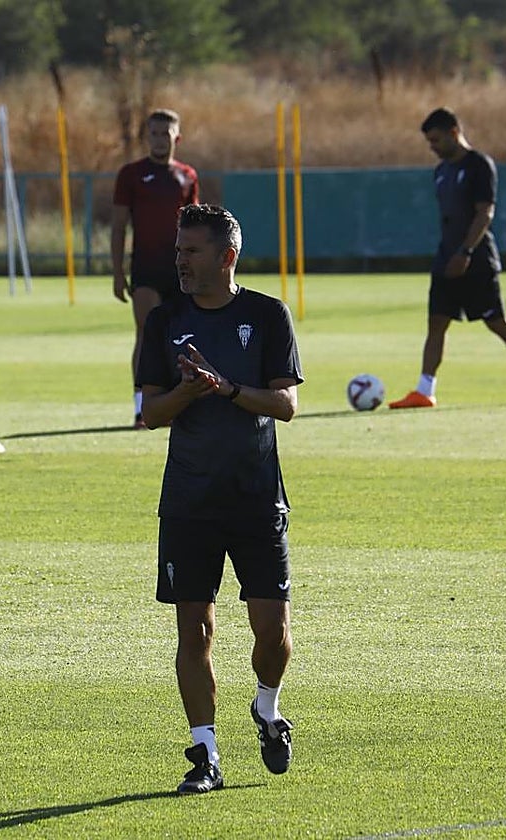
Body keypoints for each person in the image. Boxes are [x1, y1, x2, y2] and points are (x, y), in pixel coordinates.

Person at [137, 204, 303, 795]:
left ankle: (266, 705)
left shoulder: (267, 315)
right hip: (189, 500)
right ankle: (205, 753)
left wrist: (226, 387)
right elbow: (149, 415)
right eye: (178, 250)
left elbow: (285, 406)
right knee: (195, 633)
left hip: (257, 497)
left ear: (226, 256)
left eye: (192, 251)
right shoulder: (164, 321)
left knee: (272, 633)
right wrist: (186, 391)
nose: (179, 261)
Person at [389, 106, 506, 409]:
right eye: (429, 142)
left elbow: (484, 212)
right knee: (436, 322)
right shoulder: (441, 172)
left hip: (475, 259)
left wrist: (465, 252)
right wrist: (450, 254)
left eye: (436, 140)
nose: (432, 148)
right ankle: (425, 390)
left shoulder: (479, 165)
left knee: (496, 322)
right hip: (445, 259)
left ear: (453, 132)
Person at [112, 108, 200, 429]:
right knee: (148, 333)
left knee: (184, 336)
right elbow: (120, 226)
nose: (159, 139)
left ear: (177, 137)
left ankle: (179, 405)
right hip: (145, 270)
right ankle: (141, 408)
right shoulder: (131, 175)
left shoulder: (187, 176)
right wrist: (118, 272)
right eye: (154, 133)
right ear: (146, 136)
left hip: (181, 271)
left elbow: (195, 228)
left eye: (166, 133)